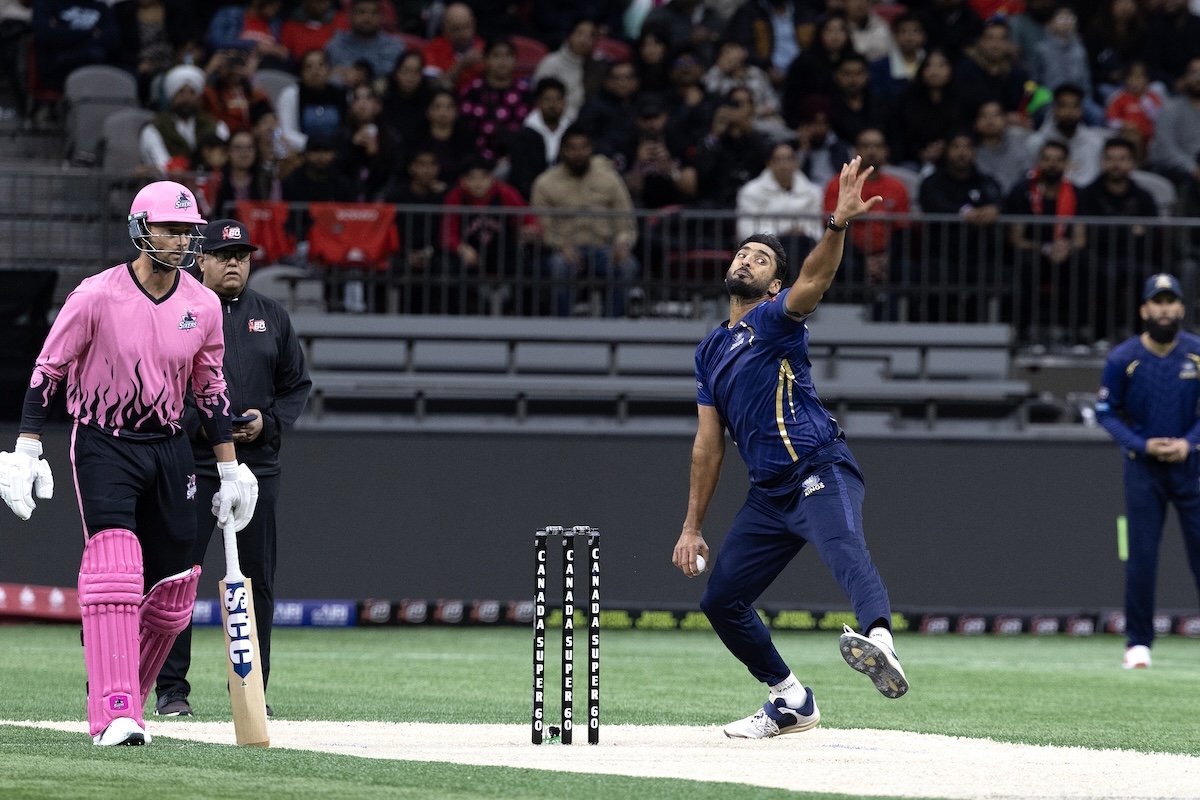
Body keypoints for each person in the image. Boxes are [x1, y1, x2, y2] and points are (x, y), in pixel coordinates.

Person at [0, 180, 259, 746]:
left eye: (189, 231)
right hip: (103, 442)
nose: (182, 240)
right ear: (142, 230)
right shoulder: (95, 295)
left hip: (169, 448)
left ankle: (123, 702)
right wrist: (25, 449)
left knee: (173, 591)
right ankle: (112, 713)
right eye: (170, 228)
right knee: (116, 568)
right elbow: (48, 371)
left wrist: (231, 467)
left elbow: (209, 386)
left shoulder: (204, 303)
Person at [671, 156, 908, 740]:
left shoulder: (776, 318)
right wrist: (691, 527)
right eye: (742, 253)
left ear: (774, 284)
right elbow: (708, 446)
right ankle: (790, 698)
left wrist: (838, 224)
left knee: (841, 545)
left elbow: (816, 278)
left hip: (819, 465)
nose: (745, 259)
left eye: (760, 259)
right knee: (721, 601)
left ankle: (880, 639)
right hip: (769, 492)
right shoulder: (708, 352)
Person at [154, 217, 311, 718]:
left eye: (241, 256)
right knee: (180, 576)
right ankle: (172, 691)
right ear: (202, 261)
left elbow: (296, 386)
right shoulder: (178, 312)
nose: (233, 264)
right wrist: (199, 422)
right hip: (194, 463)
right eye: (223, 256)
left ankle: (252, 693)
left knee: (258, 578)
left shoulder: (272, 316)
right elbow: (157, 381)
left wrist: (268, 422)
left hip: (257, 466)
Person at [1095, 273, 1200, 670]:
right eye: (1157, 302)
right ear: (1144, 309)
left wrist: (1189, 442)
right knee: (1141, 558)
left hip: (1191, 467)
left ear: (1182, 309)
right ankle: (1138, 643)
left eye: (1171, 301)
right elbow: (1105, 411)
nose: (1165, 309)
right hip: (1142, 471)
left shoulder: (1196, 353)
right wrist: (1142, 444)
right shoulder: (1123, 358)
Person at [531, 125, 640, 317]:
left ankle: (611, 327)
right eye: (572, 148)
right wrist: (559, 245)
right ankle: (564, 329)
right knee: (558, 267)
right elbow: (541, 226)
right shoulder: (545, 183)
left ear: (591, 148)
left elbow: (626, 221)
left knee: (628, 265)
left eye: (583, 147)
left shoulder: (610, 179)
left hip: (604, 248)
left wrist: (622, 243)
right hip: (564, 249)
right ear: (562, 150)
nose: (578, 153)